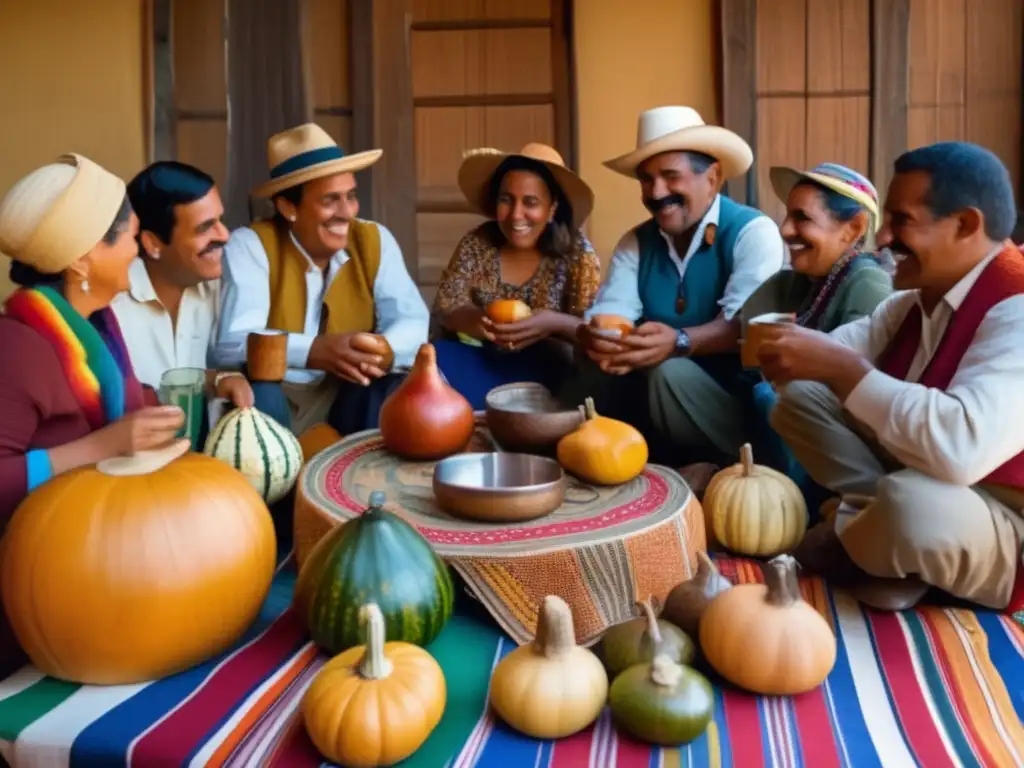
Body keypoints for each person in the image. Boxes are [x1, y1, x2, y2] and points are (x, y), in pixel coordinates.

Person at [761, 141, 1023, 623]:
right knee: (798, 398)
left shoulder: (1018, 304)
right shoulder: (911, 303)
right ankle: (882, 540)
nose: (881, 238)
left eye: (901, 221)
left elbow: (961, 447)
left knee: (912, 504)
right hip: (922, 476)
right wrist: (800, 356)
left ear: (965, 225)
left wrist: (843, 370)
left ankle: (857, 535)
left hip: (1004, 521)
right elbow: (831, 355)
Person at [563, 106, 786, 465]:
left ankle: (719, 468)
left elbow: (746, 327)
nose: (656, 192)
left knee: (671, 372)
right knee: (591, 363)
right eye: (646, 180)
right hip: (656, 392)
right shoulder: (636, 241)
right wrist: (602, 338)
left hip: (730, 401)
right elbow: (612, 311)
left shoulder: (752, 232)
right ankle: (608, 459)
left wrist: (680, 342)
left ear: (712, 178)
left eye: (670, 176)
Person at [0, 154, 185, 525]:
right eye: (132, 238)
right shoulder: (16, 347)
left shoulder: (99, 322)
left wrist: (156, 410)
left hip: (104, 525)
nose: (138, 251)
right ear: (82, 261)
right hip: (45, 549)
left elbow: (114, 400)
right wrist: (102, 446)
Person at [212, 124, 429, 435]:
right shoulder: (251, 244)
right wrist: (314, 350)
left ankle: (357, 479)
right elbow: (233, 340)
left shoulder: (373, 239)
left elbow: (412, 319)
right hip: (274, 394)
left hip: (345, 390)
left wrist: (383, 349)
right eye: (330, 200)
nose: (346, 213)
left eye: (351, 196)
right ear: (288, 207)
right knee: (263, 388)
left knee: (388, 384)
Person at [740, 163, 892, 481]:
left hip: (846, 442)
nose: (784, 229)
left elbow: (857, 389)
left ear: (853, 228)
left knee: (774, 397)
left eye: (802, 218)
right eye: (787, 215)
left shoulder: (867, 282)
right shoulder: (801, 280)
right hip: (791, 425)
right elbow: (744, 335)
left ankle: (807, 504)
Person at [113, 162, 280, 443]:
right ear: (153, 243)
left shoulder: (216, 288)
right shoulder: (112, 304)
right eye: (205, 228)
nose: (224, 235)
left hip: (199, 467)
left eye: (220, 220)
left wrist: (219, 380)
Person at [431, 143, 601, 408]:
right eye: (506, 199)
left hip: (550, 368)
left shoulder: (577, 252)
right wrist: (482, 322)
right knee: (436, 356)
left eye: (530, 202)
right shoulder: (478, 242)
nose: (515, 215)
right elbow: (447, 308)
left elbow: (594, 332)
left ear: (552, 208)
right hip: (483, 360)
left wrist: (553, 323)